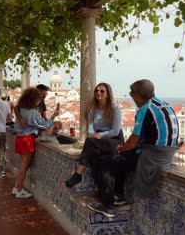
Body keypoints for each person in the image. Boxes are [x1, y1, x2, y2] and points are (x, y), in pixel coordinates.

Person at [108, 79, 179, 217]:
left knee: (114, 161)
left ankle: (118, 198)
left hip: (153, 155)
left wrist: (120, 148)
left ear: (137, 96)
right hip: (168, 154)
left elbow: (133, 141)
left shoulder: (145, 109)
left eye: (133, 97)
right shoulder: (164, 105)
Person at [63, 83, 123, 203]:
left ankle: (78, 175)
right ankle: (104, 194)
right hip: (97, 140)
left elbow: (115, 130)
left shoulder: (114, 109)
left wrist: (99, 136)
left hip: (114, 140)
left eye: (102, 91)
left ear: (108, 94)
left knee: (90, 142)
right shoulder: (92, 110)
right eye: (97, 91)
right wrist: (94, 135)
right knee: (96, 159)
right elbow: (90, 128)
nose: (98, 93)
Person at [12, 87, 59, 198]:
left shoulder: (21, 108)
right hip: (27, 139)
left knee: (24, 165)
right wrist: (53, 116)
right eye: (38, 99)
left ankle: (16, 187)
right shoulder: (32, 112)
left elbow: (16, 107)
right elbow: (45, 125)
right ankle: (18, 191)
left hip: (19, 138)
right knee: (24, 165)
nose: (40, 101)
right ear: (33, 99)